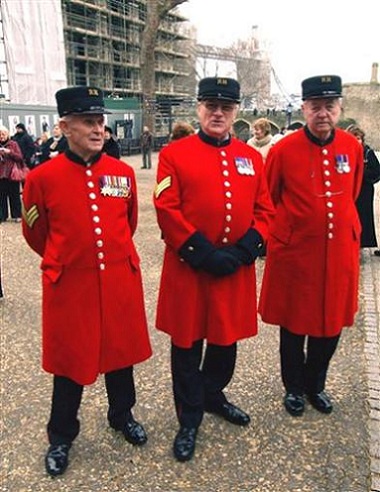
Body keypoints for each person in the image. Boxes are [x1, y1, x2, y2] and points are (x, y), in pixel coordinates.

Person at [21, 86, 152, 477]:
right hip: (70, 285)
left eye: (101, 122)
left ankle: (121, 414)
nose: (99, 129)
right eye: (88, 122)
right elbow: (35, 231)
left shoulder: (122, 173)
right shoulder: (42, 177)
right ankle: (61, 436)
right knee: (69, 362)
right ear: (65, 126)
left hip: (117, 278)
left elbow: (127, 224)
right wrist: (67, 259)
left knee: (120, 354)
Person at [153, 77, 274, 462]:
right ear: (199, 108)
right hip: (191, 267)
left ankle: (213, 395)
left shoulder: (252, 158)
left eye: (226, 107)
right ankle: (189, 418)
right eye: (210, 105)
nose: (218, 112)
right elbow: (166, 208)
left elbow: (266, 210)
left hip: (233, 268)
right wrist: (203, 253)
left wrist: (244, 251)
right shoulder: (175, 154)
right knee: (187, 345)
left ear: (236, 111)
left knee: (225, 341)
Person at [258, 75, 364, 417]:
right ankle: (293, 388)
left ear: (339, 108)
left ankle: (315, 384)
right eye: (315, 106)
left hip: (338, 254)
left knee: (331, 323)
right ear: (304, 108)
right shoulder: (282, 150)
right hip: (296, 254)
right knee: (293, 325)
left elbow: (354, 191)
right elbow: (269, 197)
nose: (323, 113)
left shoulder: (352, 147)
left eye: (329, 106)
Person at [346, 125, 380, 254]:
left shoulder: (367, 152)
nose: (356, 140)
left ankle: (361, 242)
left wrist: (362, 172)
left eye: (358, 137)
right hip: (349, 190)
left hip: (364, 190)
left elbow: (377, 171)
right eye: (353, 137)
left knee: (363, 217)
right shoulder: (344, 152)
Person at [0, 125, 25, 222]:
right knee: (1, 196)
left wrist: (9, 152)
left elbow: (20, 157)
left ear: (7, 134)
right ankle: (3, 215)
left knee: (14, 195)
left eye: (3, 134)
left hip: (12, 174)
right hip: (1, 174)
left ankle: (17, 215)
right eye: (0, 134)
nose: (1, 136)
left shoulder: (13, 144)